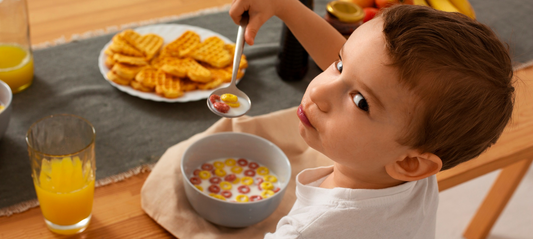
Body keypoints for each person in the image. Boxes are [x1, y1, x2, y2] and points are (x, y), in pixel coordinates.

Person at [230, 1, 515, 238]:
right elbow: (366, 70)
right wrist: (285, 6)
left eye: (360, 102)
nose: (317, 91)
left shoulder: (307, 231)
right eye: (339, 65)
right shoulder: (410, 166)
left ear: (410, 164)